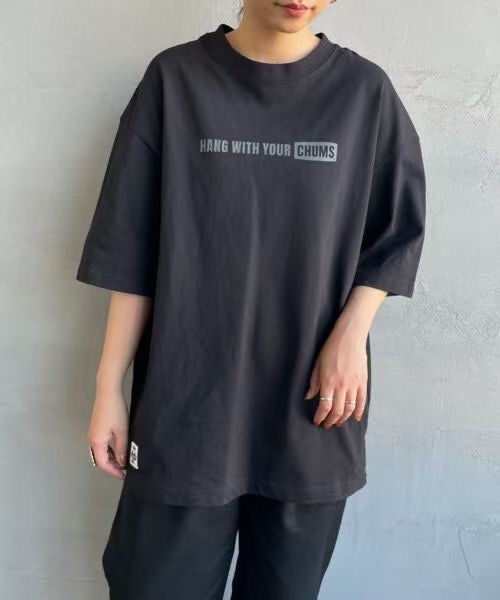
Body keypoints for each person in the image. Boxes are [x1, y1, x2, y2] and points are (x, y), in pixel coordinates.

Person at [77, 1, 426, 598]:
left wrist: (351, 335)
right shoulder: (175, 81)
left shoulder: (363, 93)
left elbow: (396, 232)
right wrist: (108, 387)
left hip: (312, 411)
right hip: (187, 409)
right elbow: (131, 250)